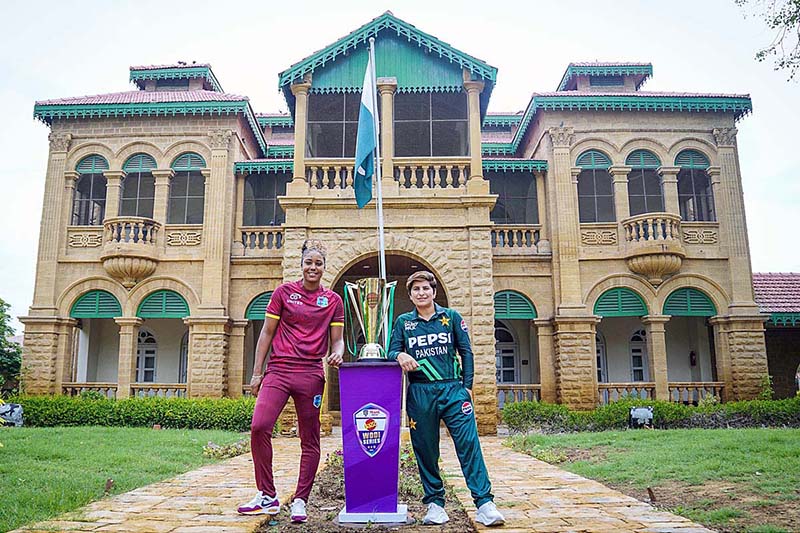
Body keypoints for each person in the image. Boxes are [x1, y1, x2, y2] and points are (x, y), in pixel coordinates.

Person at [237, 239, 345, 524]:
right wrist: (257, 372)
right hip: (279, 371)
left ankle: (300, 500)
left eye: (318, 263)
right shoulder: (284, 293)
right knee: (259, 426)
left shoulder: (333, 301)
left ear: (324, 267)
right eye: (309, 262)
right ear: (302, 265)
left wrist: (337, 354)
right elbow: (266, 334)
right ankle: (267, 494)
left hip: (311, 374)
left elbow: (338, 340)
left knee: (309, 438)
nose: (313, 267)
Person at [387, 271, 505, 527]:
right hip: (420, 392)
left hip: (453, 390)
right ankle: (435, 504)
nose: (421, 293)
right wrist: (399, 356)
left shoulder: (450, 317)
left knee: (469, 445)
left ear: (434, 291)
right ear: (410, 295)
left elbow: (466, 352)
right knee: (426, 450)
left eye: (425, 288)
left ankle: (484, 503)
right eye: (416, 289)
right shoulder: (404, 322)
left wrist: (468, 387)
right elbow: (391, 349)